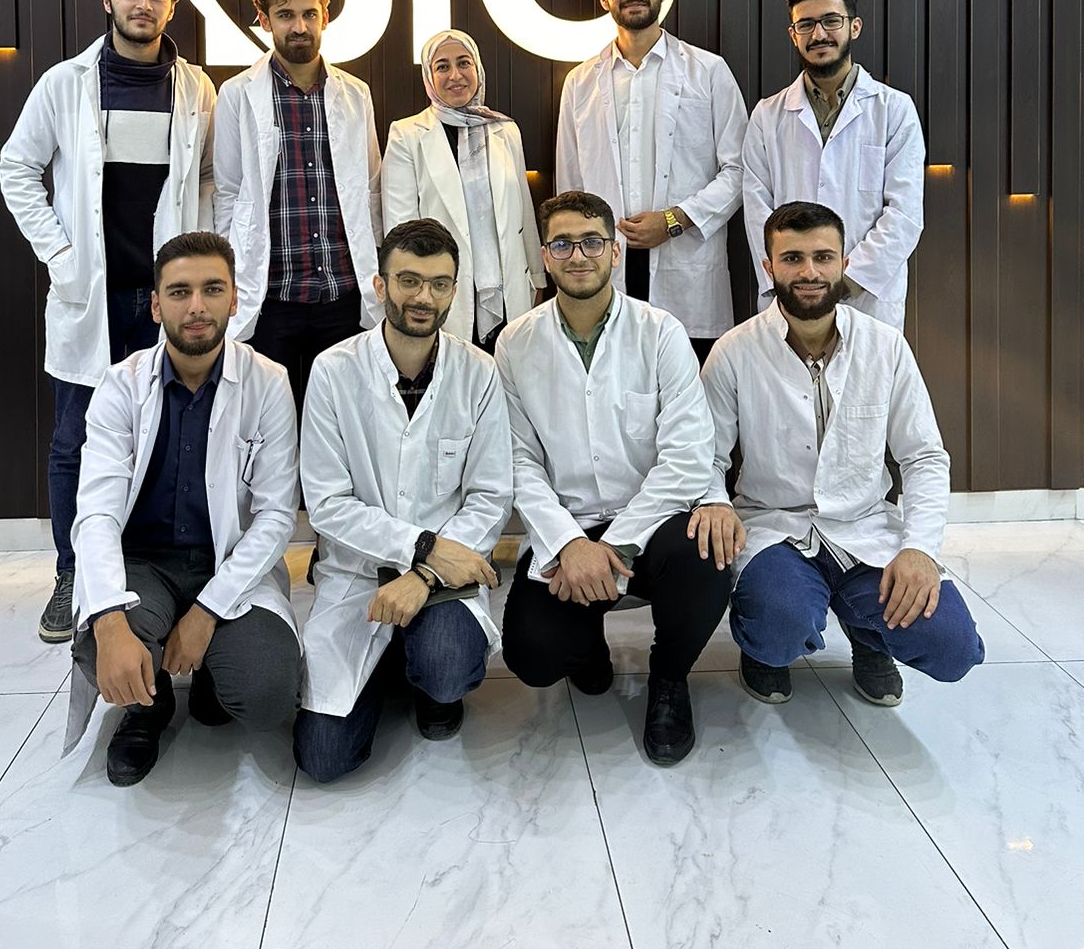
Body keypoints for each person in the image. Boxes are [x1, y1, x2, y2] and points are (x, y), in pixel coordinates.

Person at [0, 0, 216, 645]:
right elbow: (16, 167)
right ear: (108, 0)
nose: (143, 4)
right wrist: (60, 255)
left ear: (172, 6)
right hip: (91, 298)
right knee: (76, 441)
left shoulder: (196, 89)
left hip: (164, 301)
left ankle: (143, 567)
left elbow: (207, 178)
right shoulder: (64, 83)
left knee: (163, 433)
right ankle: (72, 574)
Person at [695, 200, 983, 710]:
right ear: (769, 267)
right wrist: (714, 502)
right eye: (793, 258)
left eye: (823, 257)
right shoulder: (735, 351)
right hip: (776, 528)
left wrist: (919, 548)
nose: (809, 272)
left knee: (953, 647)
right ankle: (764, 649)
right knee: (779, 626)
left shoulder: (884, 346)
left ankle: (869, 636)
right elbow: (705, 455)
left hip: (864, 527)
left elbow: (923, 457)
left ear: (844, 262)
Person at [497, 191, 730, 766]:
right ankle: (586, 651)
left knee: (704, 557)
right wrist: (570, 543)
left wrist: (616, 544)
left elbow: (687, 456)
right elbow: (518, 462)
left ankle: (669, 678)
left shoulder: (661, 331)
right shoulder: (514, 342)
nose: (578, 256)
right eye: (562, 244)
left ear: (615, 251)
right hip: (567, 528)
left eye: (592, 242)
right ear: (545, 255)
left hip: (650, 524)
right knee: (532, 655)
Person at [64, 232, 302, 786]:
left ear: (234, 299)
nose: (196, 306)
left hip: (229, 563)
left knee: (267, 693)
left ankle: (213, 670)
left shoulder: (268, 384)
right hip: (143, 565)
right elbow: (96, 515)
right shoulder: (120, 387)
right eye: (179, 292)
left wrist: (206, 612)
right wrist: (109, 622)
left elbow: (275, 518)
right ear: (156, 305)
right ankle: (147, 708)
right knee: (99, 647)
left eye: (212, 289)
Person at [293, 219, 512, 782]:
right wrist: (422, 546)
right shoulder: (333, 371)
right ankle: (393, 658)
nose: (423, 297)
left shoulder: (479, 372)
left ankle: (428, 677)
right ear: (380, 285)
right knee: (323, 761)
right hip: (358, 573)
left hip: (444, 577)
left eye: (439, 284)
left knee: (446, 668)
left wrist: (425, 574)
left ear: (454, 290)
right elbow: (327, 502)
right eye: (409, 280)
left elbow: (490, 496)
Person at [556, 0, 747, 363]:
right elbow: (570, 187)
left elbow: (739, 171)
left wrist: (674, 220)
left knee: (691, 389)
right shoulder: (580, 83)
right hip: (607, 265)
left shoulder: (708, 72)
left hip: (686, 263)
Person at [213, 0, 383, 406]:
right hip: (273, 297)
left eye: (310, 13)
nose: (300, 27)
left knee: (343, 422)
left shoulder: (356, 93)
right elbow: (228, 193)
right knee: (271, 424)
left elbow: (370, 190)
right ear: (264, 19)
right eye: (286, 15)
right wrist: (229, 277)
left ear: (325, 16)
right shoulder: (237, 93)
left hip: (343, 294)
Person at [741, 0, 925, 332]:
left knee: (866, 368)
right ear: (793, 35)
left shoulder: (893, 109)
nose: (818, 34)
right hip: (791, 293)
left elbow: (904, 212)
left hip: (866, 297)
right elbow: (757, 206)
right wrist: (791, 275)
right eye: (806, 25)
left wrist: (847, 278)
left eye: (830, 21)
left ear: (854, 27)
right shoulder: (767, 115)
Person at [381, 28, 545, 351]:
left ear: (478, 69)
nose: (455, 75)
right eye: (442, 66)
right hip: (442, 292)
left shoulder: (506, 130)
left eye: (463, 63)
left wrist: (537, 279)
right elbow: (400, 230)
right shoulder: (407, 135)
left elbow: (524, 211)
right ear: (429, 76)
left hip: (510, 291)